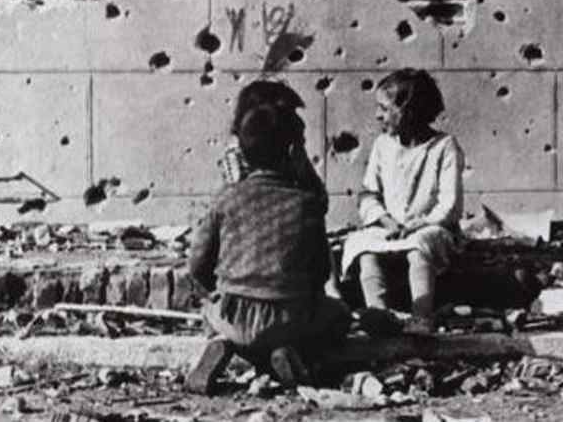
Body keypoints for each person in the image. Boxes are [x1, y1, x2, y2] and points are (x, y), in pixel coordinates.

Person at [185, 102, 349, 394]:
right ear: (293, 152)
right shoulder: (307, 203)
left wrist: (214, 292)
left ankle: (221, 342)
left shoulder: (226, 198)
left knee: (209, 310)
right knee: (339, 316)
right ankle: (289, 353)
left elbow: (197, 263)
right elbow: (321, 272)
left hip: (231, 313)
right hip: (289, 318)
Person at [340, 69, 464, 332]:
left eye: (385, 109)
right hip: (391, 227)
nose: (378, 115)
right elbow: (369, 194)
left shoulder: (444, 146)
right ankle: (379, 316)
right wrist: (387, 221)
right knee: (363, 247)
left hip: (431, 227)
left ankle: (421, 317)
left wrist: (419, 224)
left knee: (420, 246)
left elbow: (449, 204)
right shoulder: (383, 145)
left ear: (409, 111)